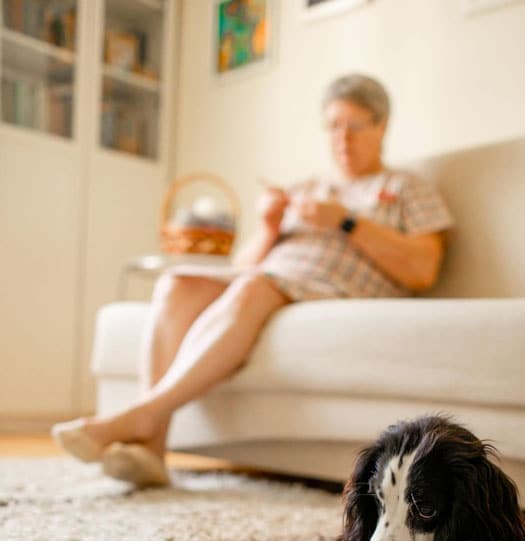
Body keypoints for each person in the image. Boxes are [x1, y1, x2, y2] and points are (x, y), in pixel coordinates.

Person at [53, 73, 453, 487]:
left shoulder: (406, 187)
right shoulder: (308, 187)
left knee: (255, 286)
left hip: (330, 285)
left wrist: (345, 221)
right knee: (176, 283)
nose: (342, 138)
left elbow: (423, 269)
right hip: (273, 274)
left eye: (354, 126)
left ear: (381, 125)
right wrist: (267, 226)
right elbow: (245, 264)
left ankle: (144, 413)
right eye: (333, 126)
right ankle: (151, 450)